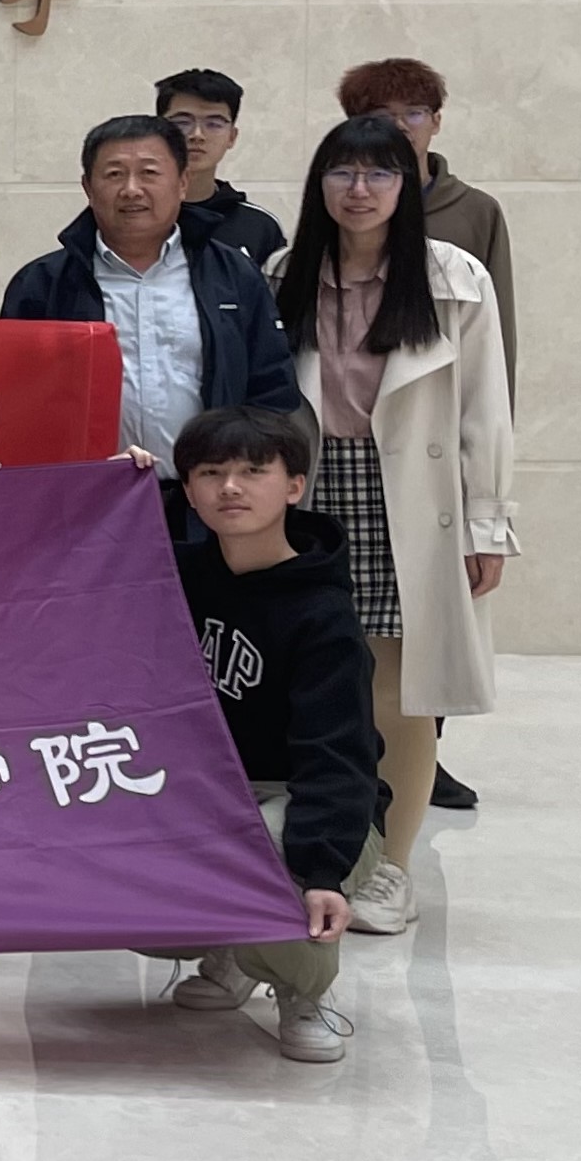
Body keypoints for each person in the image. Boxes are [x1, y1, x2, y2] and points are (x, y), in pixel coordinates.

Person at [270, 115, 517, 936]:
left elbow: (484, 407)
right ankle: (321, 859)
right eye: (342, 172)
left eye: (380, 173)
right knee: (313, 680)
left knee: (396, 691)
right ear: (319, 184)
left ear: (406, 185)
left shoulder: (453, 277)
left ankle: (390, 868)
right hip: (308, 488)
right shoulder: (284, 273)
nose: (360, 189)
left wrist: (487, 524)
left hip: (407, 492)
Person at [152, 406, 386, 1063]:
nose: (230, 487)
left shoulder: (323, 616)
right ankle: (234, 951)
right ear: (188, 489)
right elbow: (85, 555)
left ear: (294, 486)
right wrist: (118, 484)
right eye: (210, 473)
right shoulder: (177, 578)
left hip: (309, 804)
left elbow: (337, 758)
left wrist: (322, 867)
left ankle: (300, 988)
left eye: (254, 471)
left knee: (271, 852)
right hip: (208, 795)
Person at [2, 116, 301, 530]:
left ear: (182, 183)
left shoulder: (233, 275)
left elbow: (271, 392)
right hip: (84, 505)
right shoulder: (43, 284)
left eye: (149, 173)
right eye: (114, 174)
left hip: (212, 507)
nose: (131, 189)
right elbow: (18, 405)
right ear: (87, 187)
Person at [336, 57, 517, 381]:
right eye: (383, 116)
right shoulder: (343, 205)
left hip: (442, 390)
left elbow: (495, 332)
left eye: (414, 112)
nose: (401, 126)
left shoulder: (475, 211)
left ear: (436, 121)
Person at [155, 68, 286, 272]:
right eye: (182, 122)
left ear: (232, 137)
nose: (197, 135)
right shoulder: (133, 214)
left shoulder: (259, 226)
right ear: (158, 131)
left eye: (214, 124)